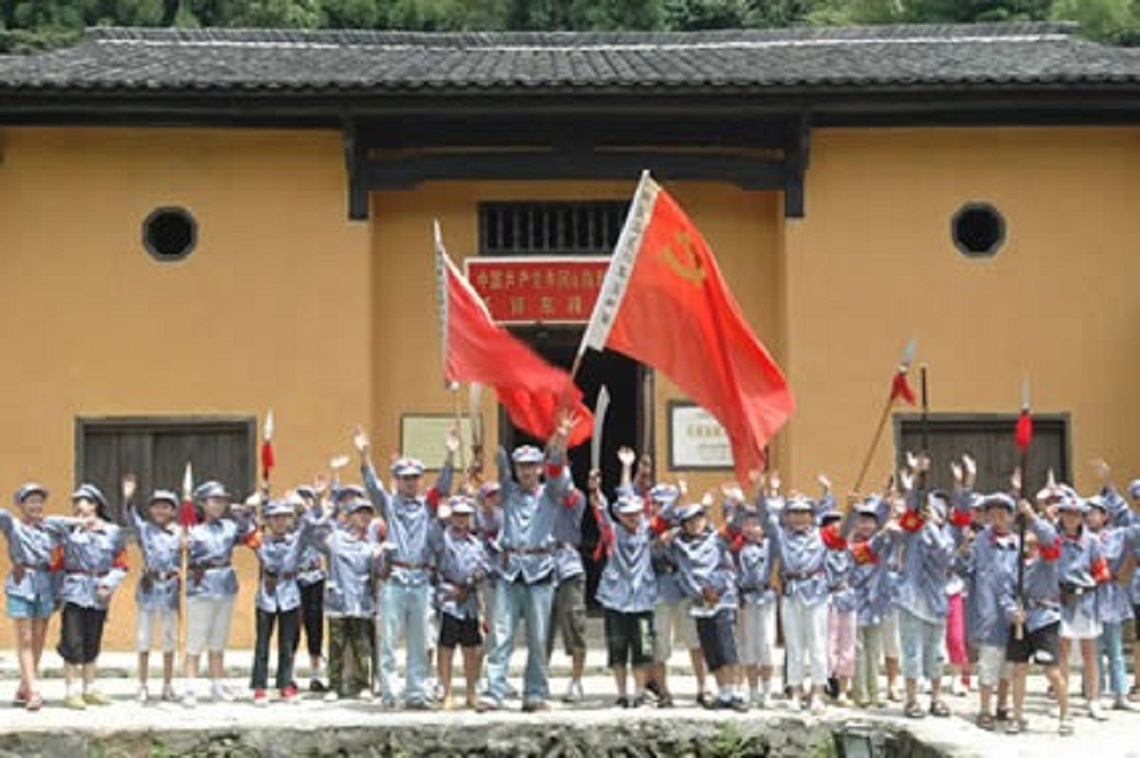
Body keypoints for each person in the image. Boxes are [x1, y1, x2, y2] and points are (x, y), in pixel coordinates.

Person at [478, 412, 575, 714]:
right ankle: (494, 691)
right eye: (522, 466)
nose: (527, 472)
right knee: (501, 634)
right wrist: (491, 452)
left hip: (540, 570)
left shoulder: (550, 494)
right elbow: (501, 468)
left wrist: (560, 440)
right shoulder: (508, 494)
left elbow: (559, 474)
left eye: (532, 466)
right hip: (510, 570)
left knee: (537, 637)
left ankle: (535, 692)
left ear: (540, 468)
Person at [356, 425, 457, 710]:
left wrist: (449, 455)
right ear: (397, 480)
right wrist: (364, 455)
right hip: (396, 577)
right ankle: (389, 692)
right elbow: (373, 487)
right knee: (388, 638)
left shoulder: (428, 506)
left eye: (414, 478)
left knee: (420, 640)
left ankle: (416, 692)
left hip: (421, 578)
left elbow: (444, 487)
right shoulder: (389, 505)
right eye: (405, 479)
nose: (410, 483)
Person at [45, 484, 128, 709]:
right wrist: (77, 523)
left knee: (93, 637)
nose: (78, 505)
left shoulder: (112, 531)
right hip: (73, 588)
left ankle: (89, 687)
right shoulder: (68, 530)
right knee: (72, 639)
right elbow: (48, 523)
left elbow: (121, 564)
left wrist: (108, 584)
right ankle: (71, 689)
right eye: (76, 502)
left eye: (83, 501)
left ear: (95, 505)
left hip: (99, 590)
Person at [663, 499, 746, 712]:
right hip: (698, 602)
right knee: (711, 650)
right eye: (689, 521)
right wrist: (666, 537)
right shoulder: (679, 546)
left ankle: (736, 692)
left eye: (698, 518)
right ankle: (723, 691)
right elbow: (659, 551)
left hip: (720, 600)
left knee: (727, 648)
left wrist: (741, 502)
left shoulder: (717, 539)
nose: (695, 524)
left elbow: (736, 525)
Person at [757, 479, 831, 714]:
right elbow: (764, 518)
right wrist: (760, 490)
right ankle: (796, 691)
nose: (799, 518)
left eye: (804, 513)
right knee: (794, 645)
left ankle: (818, 692)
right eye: (794, 513)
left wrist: (827, 491)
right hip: (791, 593)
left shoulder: (821, 535)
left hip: (816, 593)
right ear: (786, 516)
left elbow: (840, 520)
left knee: (818, 645)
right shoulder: (781, 536)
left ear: (812, 516)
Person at [890, 455, 954, 720]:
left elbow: (945, 557)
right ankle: (912, 699)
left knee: (936, 652)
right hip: (911, 599)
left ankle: (937, 698)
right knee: (912, 650)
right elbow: (914, 501)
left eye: (937, 514)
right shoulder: (912, 532)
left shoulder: (946, 536)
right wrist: (918, 475)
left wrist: (933, 529)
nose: (931, 516)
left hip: (936, 600)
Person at [182, 481, 256, 707]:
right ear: (203, 504)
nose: (219, 505)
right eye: (214, 500)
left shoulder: (229, 526)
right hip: (201, 584)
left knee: (218, 639)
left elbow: (247, 534)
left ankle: (217, 684)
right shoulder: (192, 529)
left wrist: (244, 513)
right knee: (196, 638)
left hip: (224, 583)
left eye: (222, 500)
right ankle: (190, 687)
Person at [1001, 497, 1067, 735]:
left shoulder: (1047, 559)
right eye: (1025, 534)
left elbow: (1051, 539)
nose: (1028, 539)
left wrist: (1032, 516)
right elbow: (1005, 593)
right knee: (1018, 669)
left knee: (1051, 670)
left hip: (1044, 619)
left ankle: (1064, 713)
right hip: (1021, 620)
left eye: (1031, 535)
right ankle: (1017, 716)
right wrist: (1011, 612)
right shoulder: (1013, 563)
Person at [312, 491, 382, 702]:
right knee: (336, 645)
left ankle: (363, 684)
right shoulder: (335, 539)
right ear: (350, 516)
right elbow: (314, 536)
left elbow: (376, 572)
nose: (364, 518)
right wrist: (323, 509)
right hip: (338, 600)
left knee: (362, 645)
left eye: (367, 514)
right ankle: (334, 685)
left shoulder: (371, 544)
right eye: (359, 513)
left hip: (361, 601)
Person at [248, 494, 314, 705]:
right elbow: (245, 528)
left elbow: (311, 527)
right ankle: (259, 686)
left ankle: (285, 684)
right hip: (266, 595)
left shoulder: (296, 541)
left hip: (289, 594)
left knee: (287, 644)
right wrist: (251, 508)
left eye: (285, 517)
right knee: (262, 644)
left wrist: (307, 507)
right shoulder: (261, 541)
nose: (280, 522)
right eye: (275, 518)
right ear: (268, 520)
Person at [0, 482, 59, 711]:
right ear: (21, 505)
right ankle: (34, 691)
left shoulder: (50, 528)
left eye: (39, 500)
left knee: (39, 640)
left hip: (45, 583)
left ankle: (25, 685)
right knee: (24, 639)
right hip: (21, 581)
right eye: (30, 501)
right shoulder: (12, 525)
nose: (36, 505)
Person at [596, 489, 657, 708]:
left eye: (636, 513)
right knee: (617, 649)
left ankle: (639, 693)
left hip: (643, 600)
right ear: (619, 515)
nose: (633, 518)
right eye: (627, 514)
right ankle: (621, 694)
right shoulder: (612, 532)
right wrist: (596, 489)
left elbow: (665, 515)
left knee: (643, 649)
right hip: (616, 600)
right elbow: (601, 513)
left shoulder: (647, 530)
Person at [123, 478, 181, 704]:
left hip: (170, 588)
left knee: (169, 638)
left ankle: (167, 684)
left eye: (165, 506)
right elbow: (130, 517)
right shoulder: (145, 529)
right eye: (156, 506)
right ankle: (143, 684)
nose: (160, 510)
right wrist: (128, 497)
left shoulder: (180, 533)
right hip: (149, 585)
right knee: (144, 638)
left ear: (173, 510)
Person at [966, 492, 1020, 731]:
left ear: (1010, 517)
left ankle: (1002, 704)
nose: (997, 519)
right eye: (992, 514)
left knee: (1008, 664)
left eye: (1002, 514)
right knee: (988, 663)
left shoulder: (1018, 545)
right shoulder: (979, 543)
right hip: (988, 614)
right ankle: (985, 708)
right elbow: (966, 569)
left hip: (1012, 616)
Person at [1055, 491, 1111, 722]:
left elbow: (1102, 570)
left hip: (1086, 601)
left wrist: (1090, 584)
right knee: (1063, 653)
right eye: (1067, 514)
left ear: (1082, 517)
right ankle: (1063, 701)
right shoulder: (1054, 539)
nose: (1071, 519)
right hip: (1061, 600)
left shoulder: (1093, 542)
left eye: (1076, 515)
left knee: (1090, 653)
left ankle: (1094, 699)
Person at [433, 495, 489, 710]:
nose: (461, 520)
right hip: (449, 597)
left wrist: (477, 576)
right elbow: (435, 562)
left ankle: (471, 692)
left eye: (465, 516)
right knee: (446, 647)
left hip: (470, 600)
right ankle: (446, 691)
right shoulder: (443, 539)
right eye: (457, 515)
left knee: (471, 648)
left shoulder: (476, 543)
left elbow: (485, 565)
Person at [849, 494, 894, 708]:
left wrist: (888, 494)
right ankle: (861, 693)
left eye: (870, 521)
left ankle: (875, 692)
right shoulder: (851, 545)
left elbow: (888, 525)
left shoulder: (882, 543)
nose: (866, 525)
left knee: (874, 650)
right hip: (856, 602)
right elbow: (866, 552)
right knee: (858, 650)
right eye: (862, 520)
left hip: (876, 602)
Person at [546, 480, 588, 705]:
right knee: (542, 629)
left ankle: (576, 681)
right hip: (542, 567)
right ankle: (539, 679)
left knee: (575, 625)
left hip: (568, 568)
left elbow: (572, 495)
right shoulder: (539, 498)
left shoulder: (573, 500)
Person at [293, 484, 328, 692]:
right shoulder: (289, 524)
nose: (305, 503)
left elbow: (320, 520)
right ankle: (291, 674)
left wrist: (318, 502)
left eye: (309, 499)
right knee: (292, 629)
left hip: (314, 577)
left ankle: (316, 674)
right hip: (294, 578)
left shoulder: (316, 522)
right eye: (303, 499)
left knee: (315, 627)